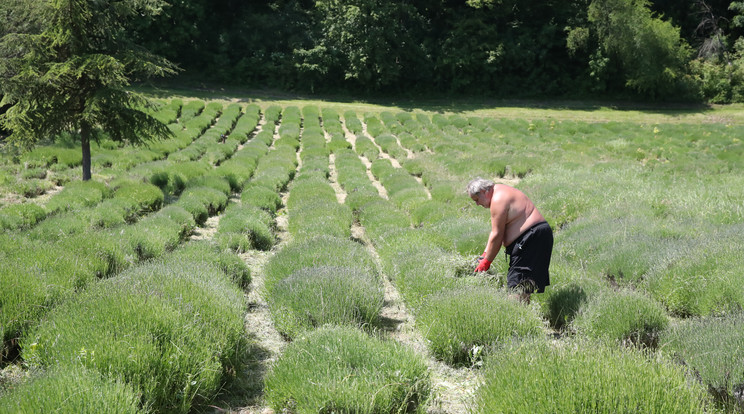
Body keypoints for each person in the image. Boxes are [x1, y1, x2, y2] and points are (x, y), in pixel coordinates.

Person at [467, 178, 553, 303]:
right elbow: (494, 234)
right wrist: (485, 255)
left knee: (517, 285)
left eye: (476, 200)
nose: (477, 204)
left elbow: (497, 235)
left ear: (483, 191)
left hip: (531, 238)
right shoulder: (500, 191)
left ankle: (516, 317)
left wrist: (487, 262)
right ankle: (524, 318)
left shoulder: (498, 199)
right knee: (523, 285)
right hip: (534, 237)